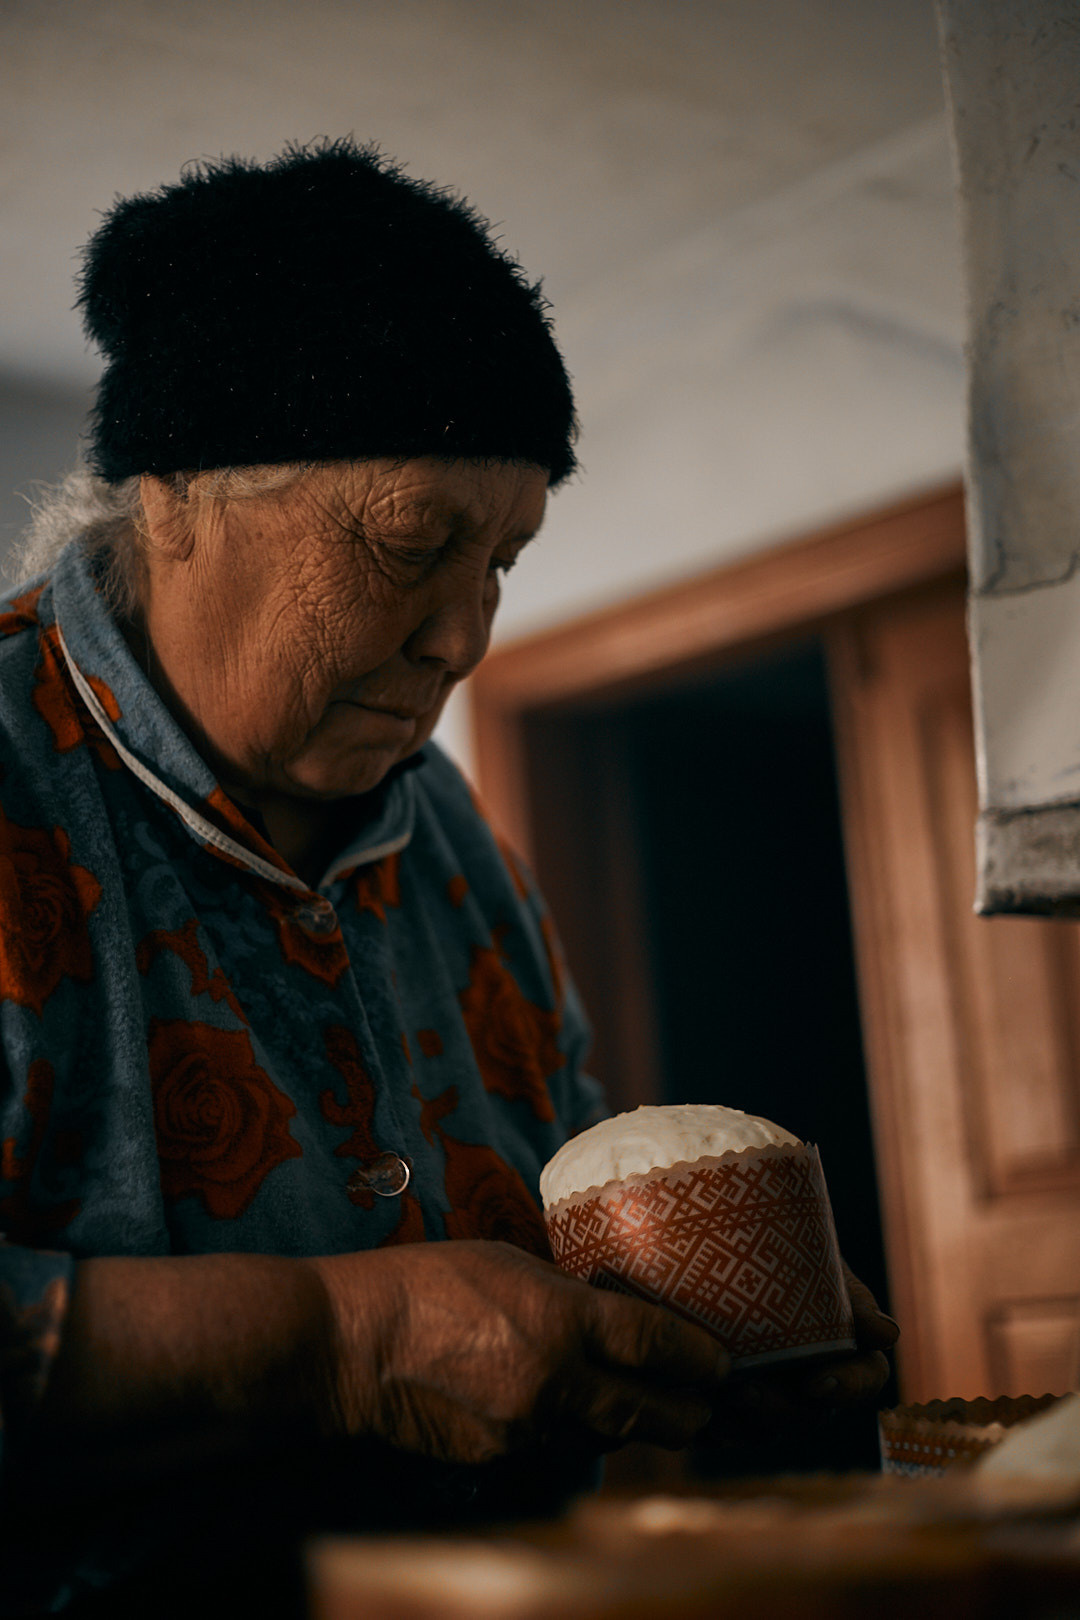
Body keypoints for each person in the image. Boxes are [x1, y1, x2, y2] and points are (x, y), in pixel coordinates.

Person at [0, 140, 895, 1615]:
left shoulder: (451, 834)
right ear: (172, 499)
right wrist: (331, 1341)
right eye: (416, 542)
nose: (466, 637)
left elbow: (560, 1217)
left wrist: (703, 1341)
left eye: (506, 562)